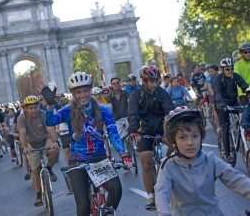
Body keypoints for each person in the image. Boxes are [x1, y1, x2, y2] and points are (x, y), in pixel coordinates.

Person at [40, 72, 132, 215]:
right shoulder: (68, 111)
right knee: (83, 207)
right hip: (78, 160)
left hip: (99, 158)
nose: (82, 95)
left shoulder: (103, 110)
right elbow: (50, 122)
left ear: (90, 90)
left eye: (85, 91)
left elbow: (113, 134)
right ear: (73, 93)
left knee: (116, 189)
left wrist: (123, 153)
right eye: (78, 92)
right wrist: (50, 105)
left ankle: (106, 212)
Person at [155, 106, 250, 215]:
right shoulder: (168, 166)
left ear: (201, 137)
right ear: (173, 141)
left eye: (195, 136)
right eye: (183, 137)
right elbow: (161, 194)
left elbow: (237, 180)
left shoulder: (210, 160)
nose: (190, 142)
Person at [128, 65, 175, 211]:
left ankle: (167, 163)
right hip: (144, 131)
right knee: (146, 161)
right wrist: (134, 131)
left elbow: (169, 108)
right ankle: (151, 197)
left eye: (156, 81)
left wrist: (173, 117)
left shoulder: (162, 93)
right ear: (144, 81)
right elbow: (133, 114)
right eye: (151, 81)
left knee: (175, 145)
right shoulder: (136, 95)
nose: (154, 84)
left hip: (161, 128)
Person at [17, 95, 60, 207]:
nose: (33, 110)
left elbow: (50, 128)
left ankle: (49, 168)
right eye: (30, 108)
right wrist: (24, 147)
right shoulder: (21, 118)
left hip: (45, 139)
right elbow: (22, 132)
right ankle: (38, 196)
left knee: (55, 150)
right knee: (35, 170)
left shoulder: (43, 114)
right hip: (31, 144)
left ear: (38, 106)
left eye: (35, 107)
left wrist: (55, 141)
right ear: (25, 108)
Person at [213, 58, 248, 165]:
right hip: (221, 104)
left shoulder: (235, 76)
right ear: (222, 70)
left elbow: (244, 86)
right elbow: (217, 93)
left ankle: (241, 136)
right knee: (226, 127)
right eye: (227, 69)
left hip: (233, 102)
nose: (230, 71)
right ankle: (228, 155)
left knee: (245, 116)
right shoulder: (218, 79)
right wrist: (221, 103)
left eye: (232, 69)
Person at [55, 97, 71, 165]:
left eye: (64, 105)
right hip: (63, 132)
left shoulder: (71, 111)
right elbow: (56, 122)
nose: (63, 106)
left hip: (71, 131)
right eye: (62, 105)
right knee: (66, 150)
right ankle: (68, 165)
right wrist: (57, 129)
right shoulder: (59, 112)